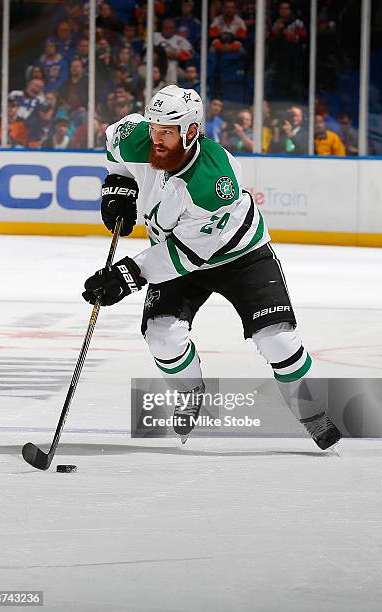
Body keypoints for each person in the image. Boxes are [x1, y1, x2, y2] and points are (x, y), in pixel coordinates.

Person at [82, 85, 341, 451]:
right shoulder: (137, 137)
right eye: (154, 128)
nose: (155, 139)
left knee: (278, 341)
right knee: (162, 336)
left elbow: (183, 256)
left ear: (191, 132)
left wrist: (126, 276)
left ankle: (311, 411)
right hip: (175, 253)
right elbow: (113, 144)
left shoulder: (214, 182)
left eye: (167, 132)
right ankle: (190, 390)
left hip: (240, 257)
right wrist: (118, 184)